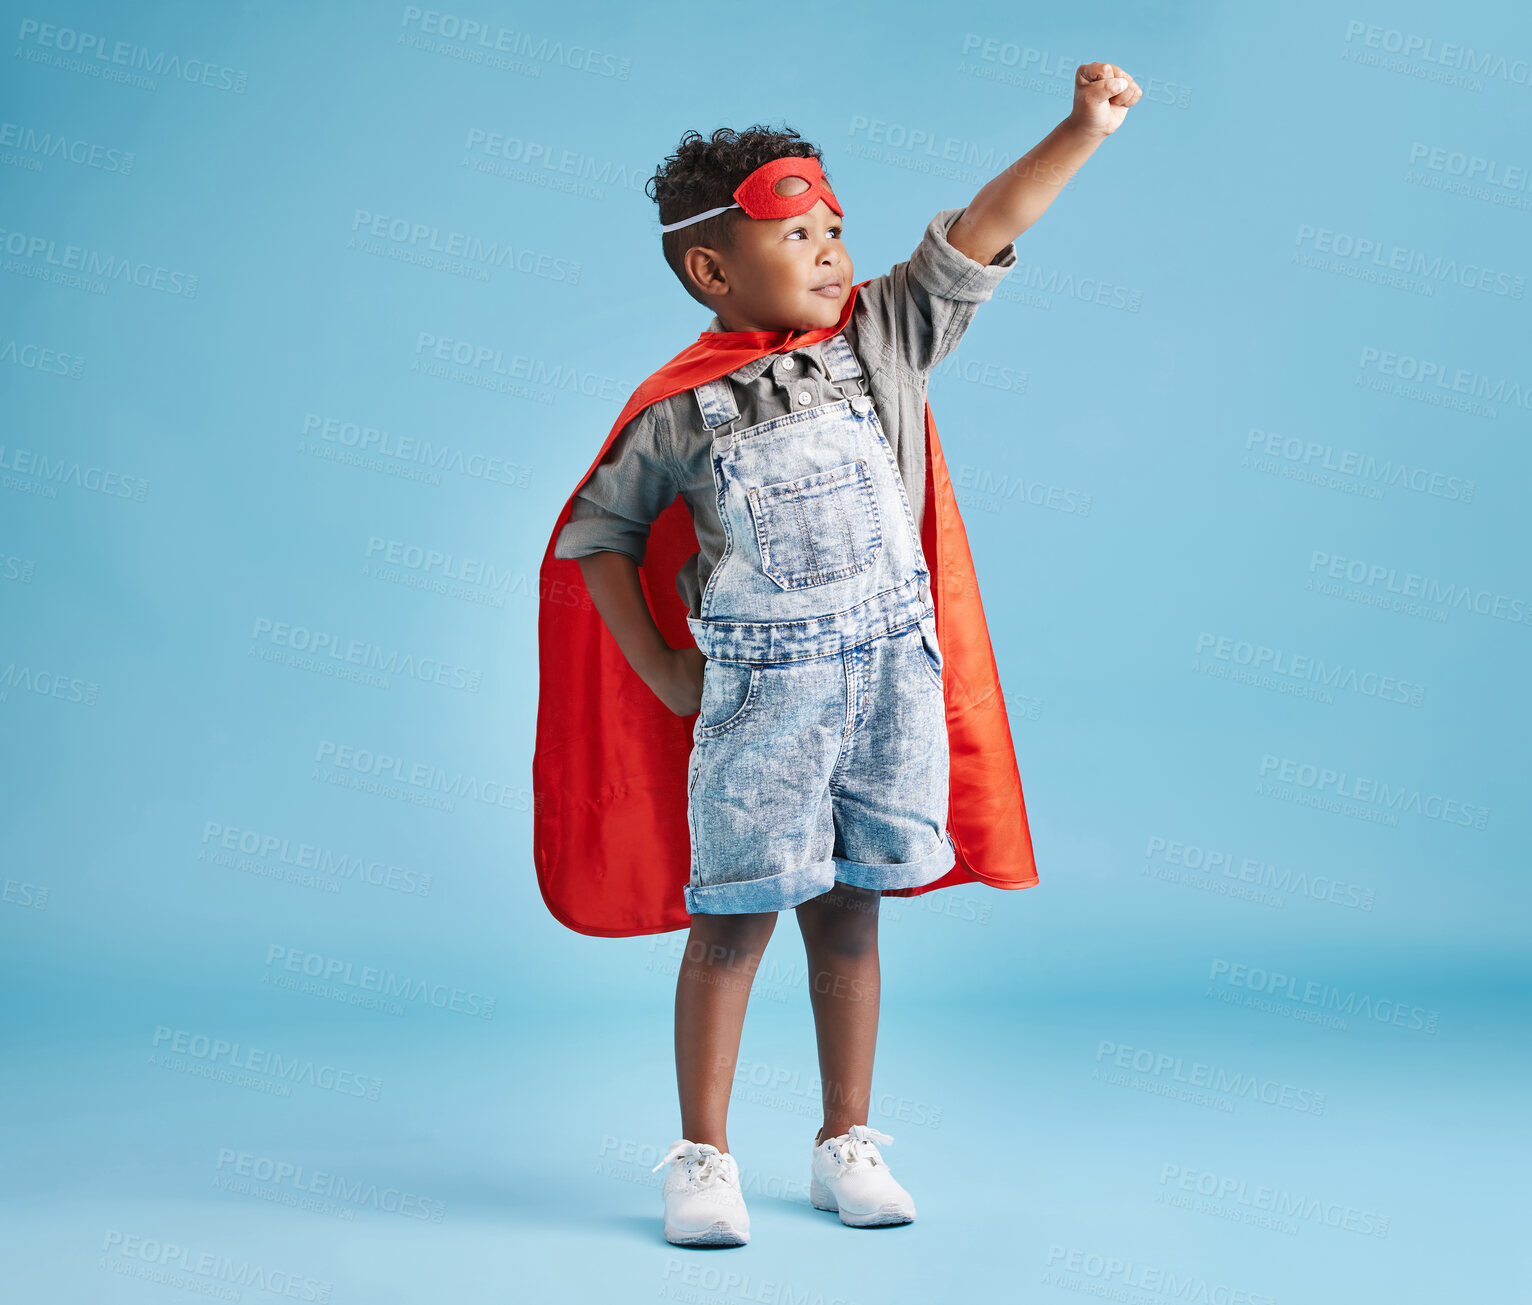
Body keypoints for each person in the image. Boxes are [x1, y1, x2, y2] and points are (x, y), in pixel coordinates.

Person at [536, 63, 1142, 1247]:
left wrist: (1080, 130)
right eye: (793, 234)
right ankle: (702, 1159)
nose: (827, 251)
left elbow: (984, 227)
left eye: (831, 227)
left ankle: (840, 1144)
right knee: (732, 923)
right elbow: (596, 533)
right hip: (764, 705)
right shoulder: (676, 410)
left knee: (854, 916)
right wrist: (664, 670)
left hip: (887, 690)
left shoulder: (886, 339)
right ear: (712, 272)